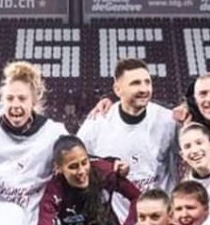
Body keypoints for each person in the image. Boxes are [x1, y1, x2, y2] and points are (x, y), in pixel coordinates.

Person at [0, 61, 70, 225]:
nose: (15, 104)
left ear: (33, 101)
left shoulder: (54, 132)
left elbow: (79, 161)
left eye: (22, 98)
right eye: (10, 98)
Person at [76, 58, 181, 210]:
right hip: (115, 218)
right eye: (135, 83)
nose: (144, 89)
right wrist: (106, 167)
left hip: (161, 215)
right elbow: (75, 159)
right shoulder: (97, 122)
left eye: (147, 82)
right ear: (117, 89)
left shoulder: (168, 120)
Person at [177, 122, 210, 197]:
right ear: (183, 156)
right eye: (187, 146)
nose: (194, 150)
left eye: (199, 143)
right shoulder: (187, 189)